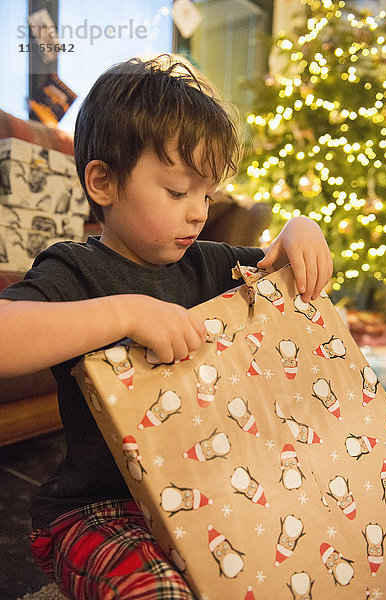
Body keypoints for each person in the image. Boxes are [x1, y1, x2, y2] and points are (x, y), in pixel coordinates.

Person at [0, 55, 333, 600]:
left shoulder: (210, 262)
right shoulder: (75, 271)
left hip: (208, 492)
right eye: (179, 192)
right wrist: (124, 312)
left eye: (207, 193)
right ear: (103, 183)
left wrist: (300, 229)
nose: (199, 212)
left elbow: (280, 269)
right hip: (97, 511)